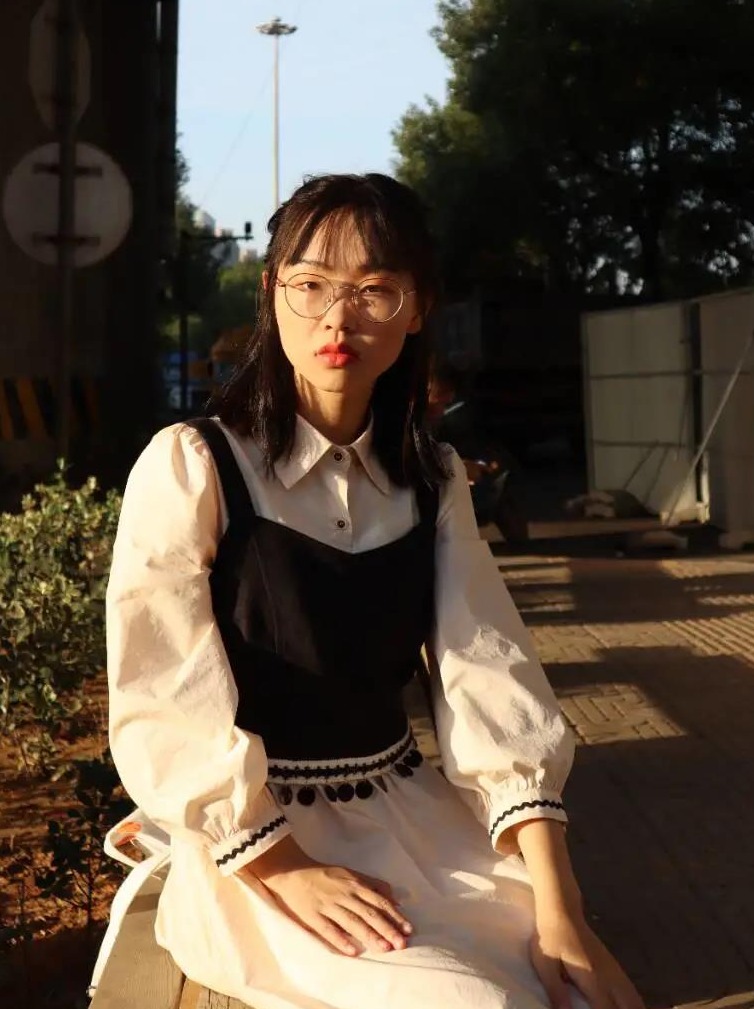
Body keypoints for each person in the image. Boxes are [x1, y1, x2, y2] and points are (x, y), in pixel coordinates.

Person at [105, 173, 643, 1009]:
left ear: (417, 306)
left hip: (413, 818)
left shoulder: (432, 476)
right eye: (311, 284)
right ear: (271, 291)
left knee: (578, 992)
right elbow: (160, 691)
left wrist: (560, 903)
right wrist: (285, 865)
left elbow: (490, 677)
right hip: (252, 854)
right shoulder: (194, 464)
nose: (337, 317)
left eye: (374, 290)